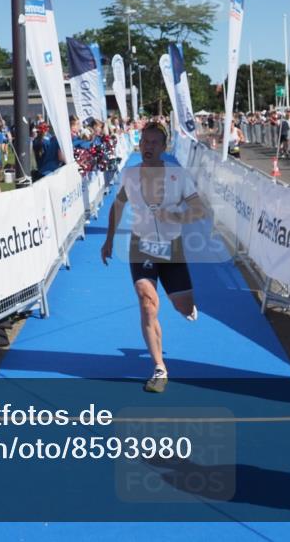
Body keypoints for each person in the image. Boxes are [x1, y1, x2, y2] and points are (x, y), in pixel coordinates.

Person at [101, 122, 204, 393]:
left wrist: (174, 216)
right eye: (144, 142)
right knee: (147, 303)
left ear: (164, 146)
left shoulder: (178, 175)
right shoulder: (130, 174)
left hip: (172, 247)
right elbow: (118, 204)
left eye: (154, 142)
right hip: (141, 246)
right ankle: (159, 368)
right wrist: (109, 239)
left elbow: (199, 209)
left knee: (183, 306)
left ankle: (187, 307)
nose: (148, 147)